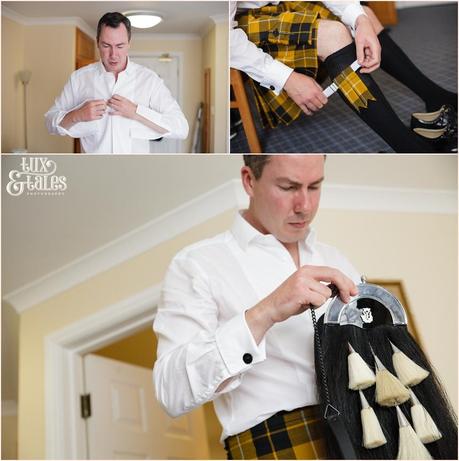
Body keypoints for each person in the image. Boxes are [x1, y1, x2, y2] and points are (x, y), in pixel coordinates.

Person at [153, 155, 362, 459]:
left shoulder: (338, 259)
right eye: (288, 187)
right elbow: (170, 391)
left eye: (315, 186)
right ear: (249, 181)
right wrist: (267, 311)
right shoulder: (197, 264)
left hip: (363, 430)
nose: (304, 205)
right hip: (277, 443)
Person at [230, 1, 457, 153]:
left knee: (365, 13)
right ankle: (411, 149)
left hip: (279, 4)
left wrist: (360, 21)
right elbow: (225, 36)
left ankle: (435, 96)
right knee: (333, 34)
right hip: (237, 26)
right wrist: (285, 77)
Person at [45, 12, 188, 154]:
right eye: (106, 46)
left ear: (129, 44)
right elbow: (49, 123)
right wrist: (77, 115)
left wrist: (136, 112)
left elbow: (181, 128)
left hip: (136, 173)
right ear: (98, 43)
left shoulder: (149, 80)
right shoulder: (79, 79)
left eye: (120, 46)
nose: (113, 55)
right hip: (94, 173)